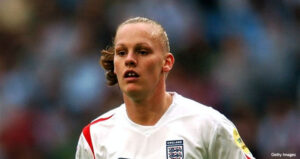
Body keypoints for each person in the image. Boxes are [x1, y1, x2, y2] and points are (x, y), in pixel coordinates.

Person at [75, 17, 255, 159]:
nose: (129, 59)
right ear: (115, 65)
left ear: (166, 62)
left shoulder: (208, 125)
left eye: (142, 51)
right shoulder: (94, 136)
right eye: (121, 53)